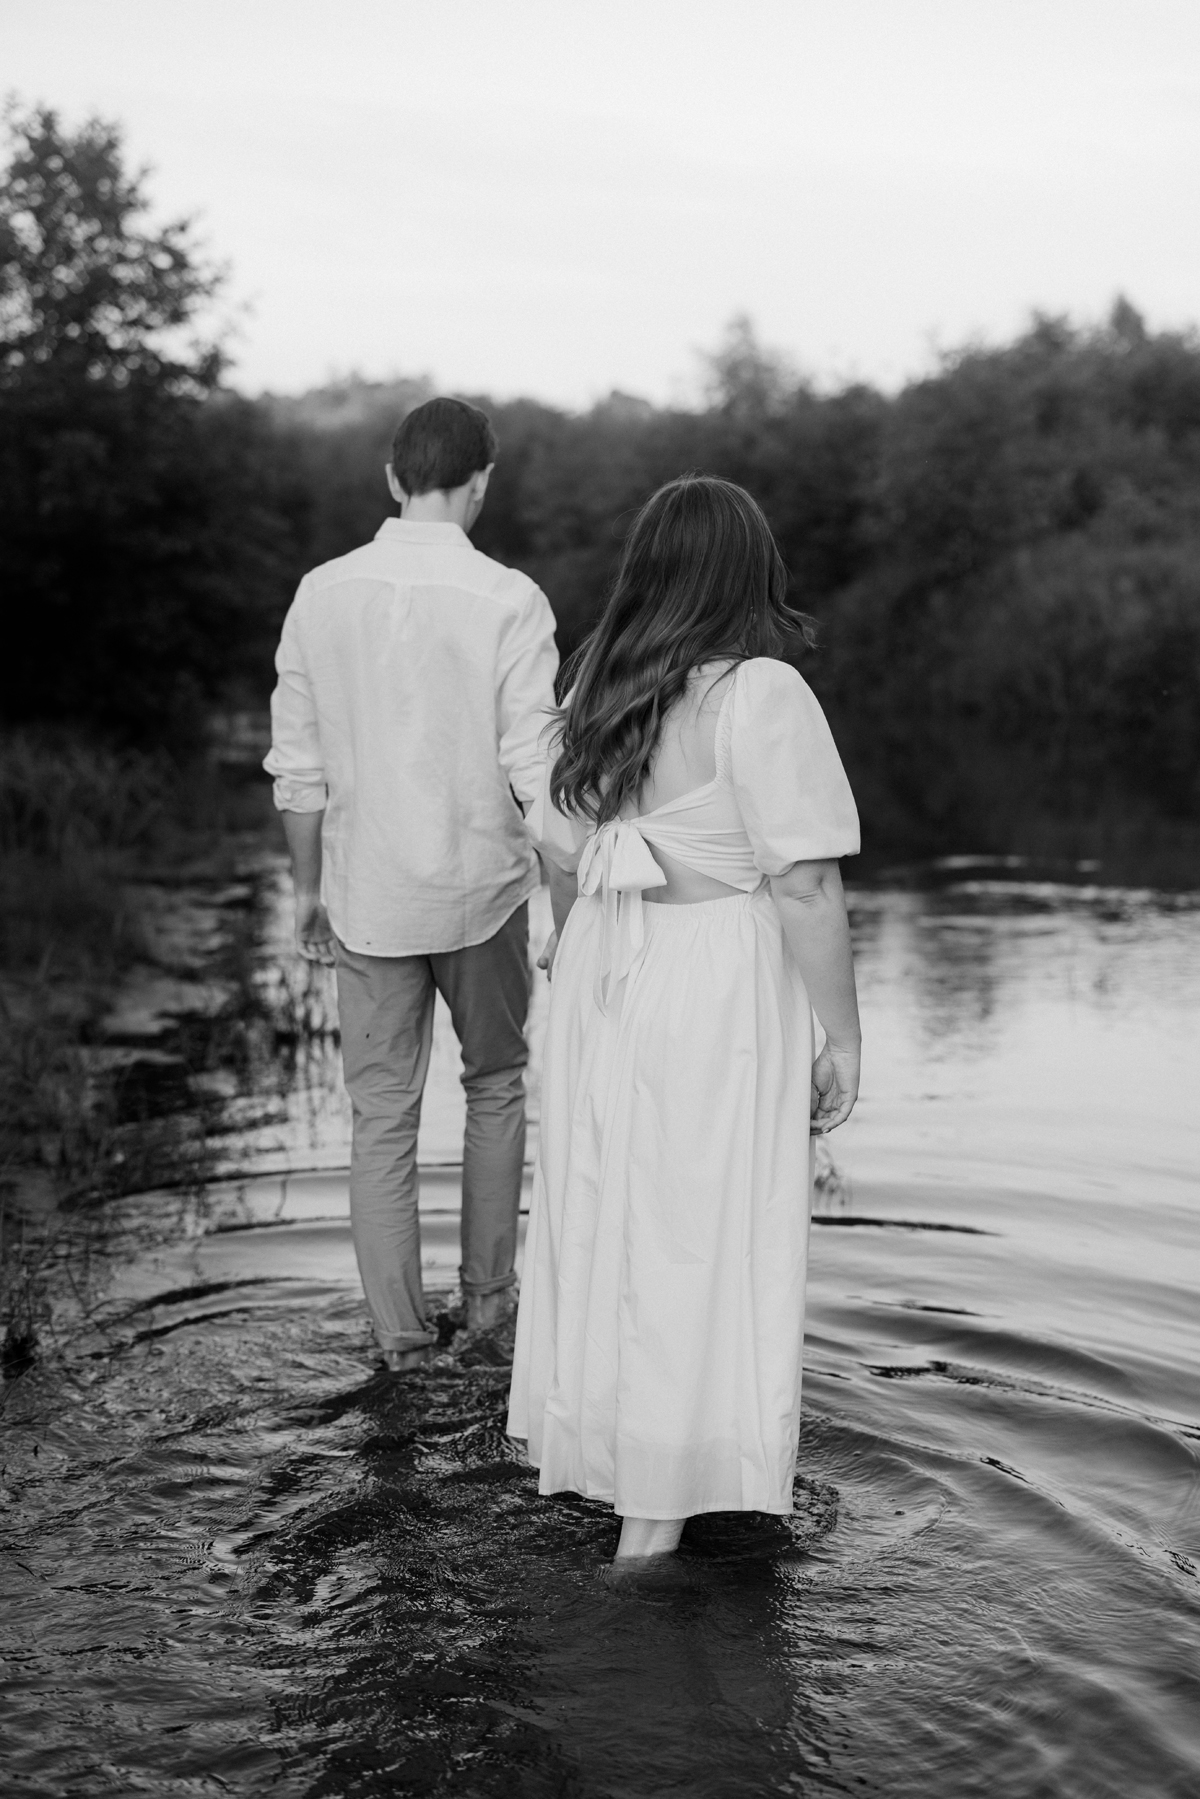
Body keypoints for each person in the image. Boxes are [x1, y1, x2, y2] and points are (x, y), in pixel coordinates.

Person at [507, 473, 861, 1562]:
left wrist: (569, 967)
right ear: (745, 572)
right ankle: (655, 1522)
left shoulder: (599, 688)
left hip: (609, 965)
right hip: (711, 980)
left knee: (609, 1212)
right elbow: (803, 885)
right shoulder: (758, 692)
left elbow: (559, 849)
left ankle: (611, 1453)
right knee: (699, 1230)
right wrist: (843, 1035)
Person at [265, 397, 559, 1371]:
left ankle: (401, 1344)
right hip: (484, 896)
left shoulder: (320, 593)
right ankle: (487, 1314)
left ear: (393, 478)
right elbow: (538, 772)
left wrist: (309, 891)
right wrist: (571, 899)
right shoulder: (511, 598)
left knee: (382, 1118)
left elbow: (297, 770)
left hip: (368, 898)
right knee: (497, 1086)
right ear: (483, 479)